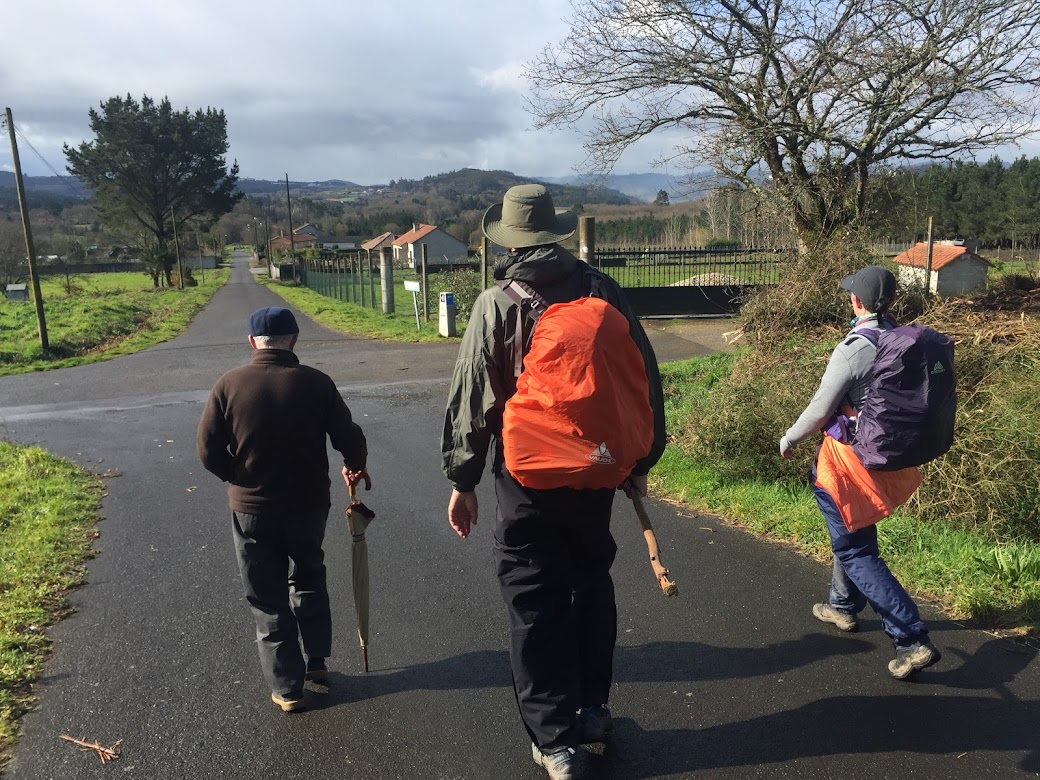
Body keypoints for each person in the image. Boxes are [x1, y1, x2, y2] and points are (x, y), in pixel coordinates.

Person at [441, 184, 666, 779]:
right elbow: (642, 378)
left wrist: (463, 480)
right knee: (591, 583)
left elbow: (474, 397)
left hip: (527, 478)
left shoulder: (497, 303)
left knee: (533, 598)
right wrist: (640, 461)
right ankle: (592, 709)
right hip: (596, 468)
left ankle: (554, 739)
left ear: (508, 241)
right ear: (557, 232)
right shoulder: (602, 291)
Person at [197, 306, 368, 712]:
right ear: (293, 340)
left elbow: (207, 450)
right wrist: (355, 464)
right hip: (309, 505)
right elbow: (349, 436)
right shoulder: (317, 383)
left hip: (252, 509)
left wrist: (236, 476)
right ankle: (317, 660)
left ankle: (288, 689)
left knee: (266, 595)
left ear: (252, 342)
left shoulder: (228, 385)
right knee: (309, 573)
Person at [779, 266, 941, 679]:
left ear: (856, 301)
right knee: (852, 533)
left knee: (855, 549)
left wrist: (789, 439)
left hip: (848, 466)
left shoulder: (853, 349)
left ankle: (911, 639)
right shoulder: (900, 339)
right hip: (888, 462)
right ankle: (842, 605)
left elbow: (820, 410)